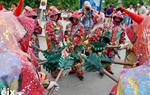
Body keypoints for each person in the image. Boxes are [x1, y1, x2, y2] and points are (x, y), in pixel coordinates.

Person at [66, 11, 85, 80]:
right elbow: (66, 34)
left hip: (78, 46)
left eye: (76, 19)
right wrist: (67, 40)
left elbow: (81, 35)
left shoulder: (81, 26)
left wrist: (74, 43)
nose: (75, 20)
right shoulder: (69, 25)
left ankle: (80, 72)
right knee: (72, 57)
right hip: (70, 45)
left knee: (79, 58)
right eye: (73, 18)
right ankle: (73, 69)